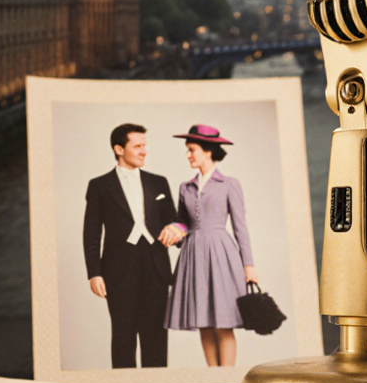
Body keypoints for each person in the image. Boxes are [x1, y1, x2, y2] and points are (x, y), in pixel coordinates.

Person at [81, 124, 185, 369]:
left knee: (156, 339)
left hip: (156, 268)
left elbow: (175, 220)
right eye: (138, 146)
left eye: (145, 145)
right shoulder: (99, 185)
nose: (144, 151)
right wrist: (94, 273)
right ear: (119, 149)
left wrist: (178, 230)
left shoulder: (159, 182)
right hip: (118, 271)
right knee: (123, 338)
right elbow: (91, 233)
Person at [164, 124, 257, 367]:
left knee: (223, 324)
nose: (188, 155)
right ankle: (212, 376)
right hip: (192, 255)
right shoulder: (185, 187)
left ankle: (227, 380)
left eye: (191, 149)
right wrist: (176, 230)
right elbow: (183, 222)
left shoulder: (229, 184)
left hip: (221, 255)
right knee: (203, 321)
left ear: (208, 151)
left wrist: (249, 265)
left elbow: (240, 227)